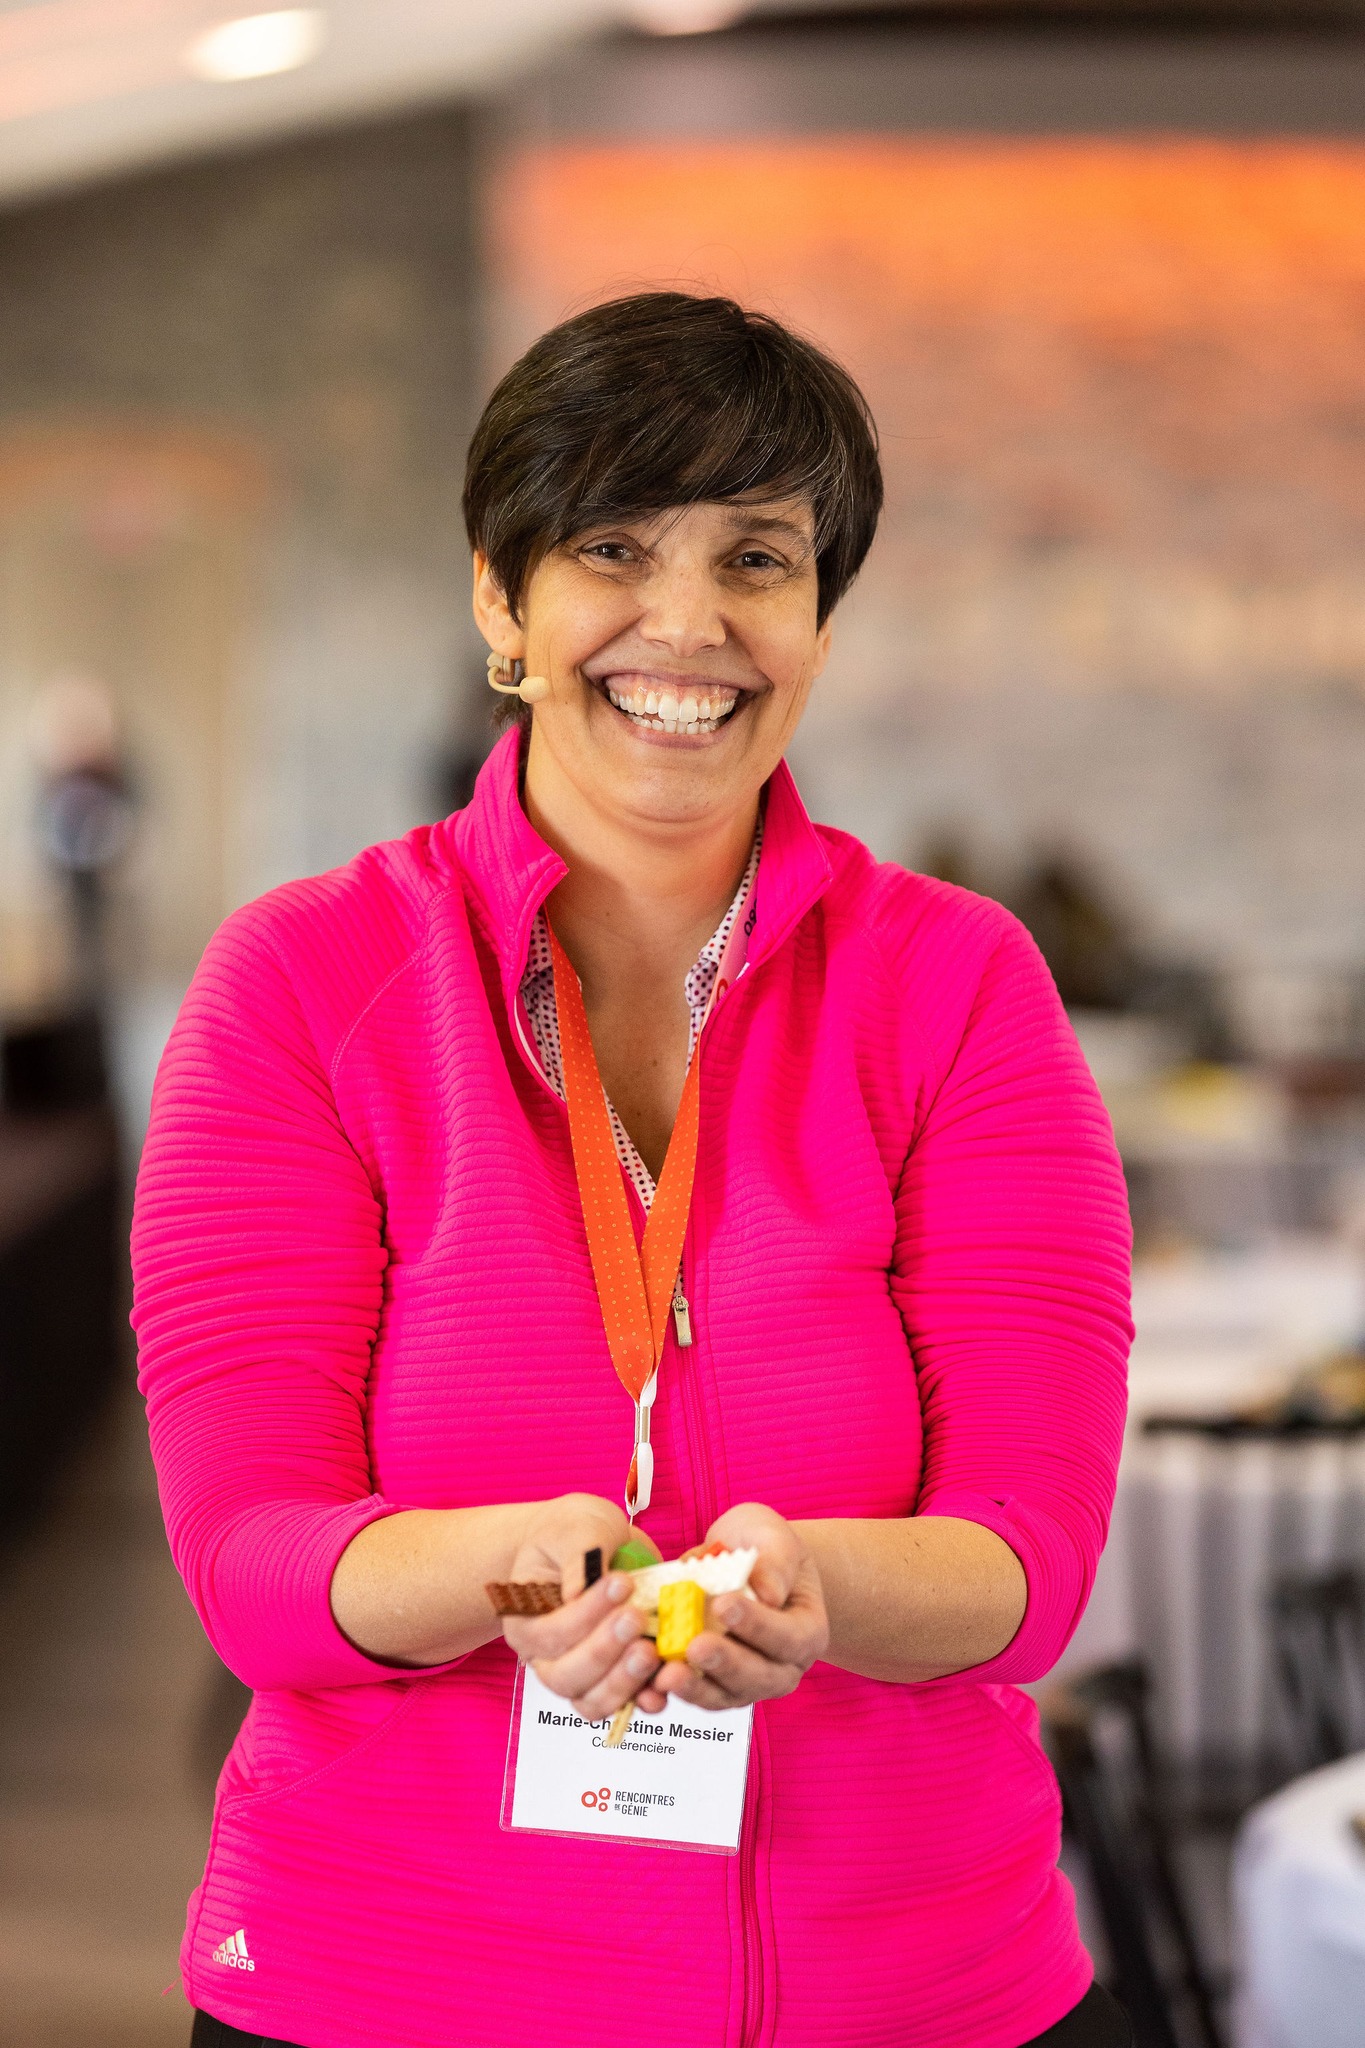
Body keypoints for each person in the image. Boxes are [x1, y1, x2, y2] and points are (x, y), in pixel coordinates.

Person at [133, 292, 1133, 2048]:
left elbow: (1028, 1555)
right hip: (395, 1986)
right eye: (611, 548)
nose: (688, 624)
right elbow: (251, 1564)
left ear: (816, 622)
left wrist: (822, 1591)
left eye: (757, 560)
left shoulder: (958, 983)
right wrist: (517, 1574)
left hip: (910, 1986)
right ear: (498, 600)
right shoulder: (303, 982)